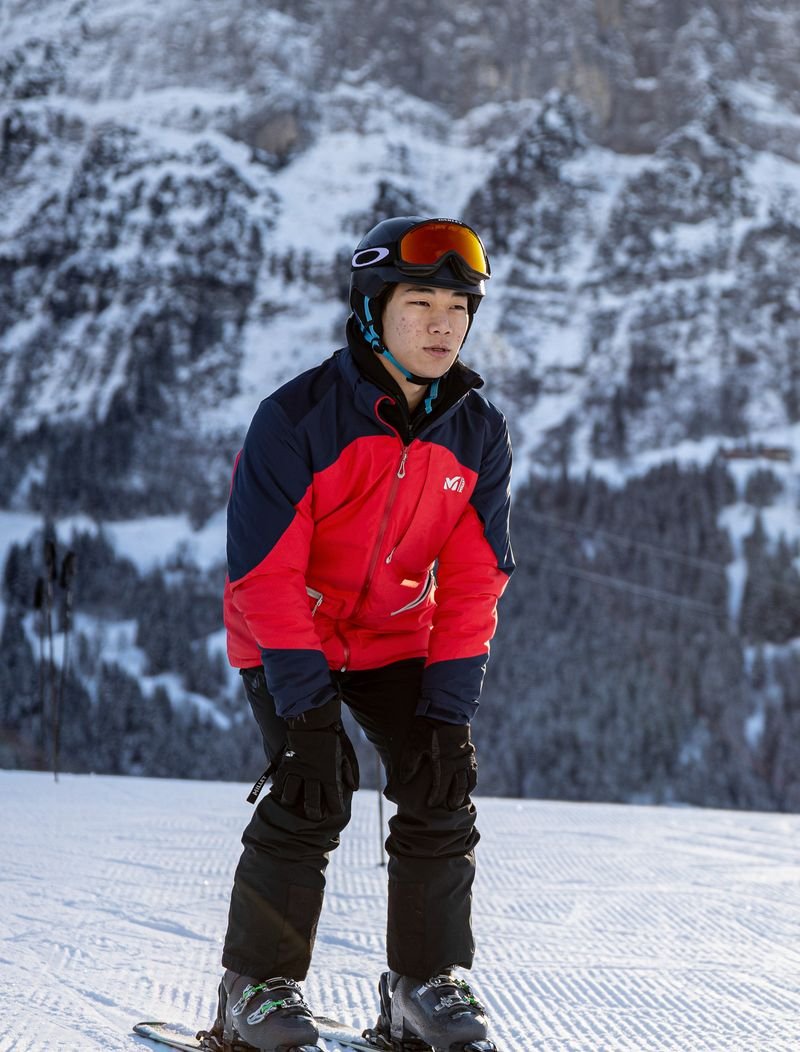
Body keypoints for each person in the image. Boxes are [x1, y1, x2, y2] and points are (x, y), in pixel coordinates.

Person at [208, 216, 514, 1052]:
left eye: (459, 307)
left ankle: (421, 985)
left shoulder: (477, 433)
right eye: (421, 303)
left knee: (437, 784)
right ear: (374, 310)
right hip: (286, 632)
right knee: (314, 785)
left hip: (393, 638)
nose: (443, 325)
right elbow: (264, 575)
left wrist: (448, 714)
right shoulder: (297, 418)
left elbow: (474, 582)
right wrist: (306, 715)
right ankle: (254, 989)